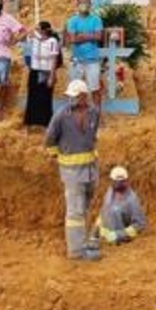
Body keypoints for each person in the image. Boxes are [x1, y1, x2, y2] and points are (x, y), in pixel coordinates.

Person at [45, 80, 102, 261]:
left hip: (90, 169)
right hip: (71, 171)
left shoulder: (94, 113)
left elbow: (93, 137)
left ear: (84, 96)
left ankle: (80, 241)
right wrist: (59, 156)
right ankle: (76, 251)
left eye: (75, 96)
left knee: (83, 207)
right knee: (75, 211)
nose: (71, 99)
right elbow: (50, 140)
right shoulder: (61, 115)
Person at [64, 0, 105, 106]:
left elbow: (99, 37)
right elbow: (72, 39)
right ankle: (73, 113)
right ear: (77, 4)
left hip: (93, 61)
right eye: (81, 2)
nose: (84, 5)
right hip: (76, 61)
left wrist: (81, 36)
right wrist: (90, 35)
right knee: (74, 89)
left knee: (95, 89)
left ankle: (96, 115)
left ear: (90, 4)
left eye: (86, 2)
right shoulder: (72, 21)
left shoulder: (96, 20)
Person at [95, 165, 148, 246]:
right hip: (104, 242)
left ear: (126, 181)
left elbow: (140, 225)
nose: (118, 184)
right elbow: (104, 210)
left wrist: (119, 234)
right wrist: (96, 230)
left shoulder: (131, 200)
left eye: (121, 182)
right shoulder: (110, 192)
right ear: (111, 181)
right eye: (116, 181)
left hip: (119, 243)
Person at [24, 20, 61, 129]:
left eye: (38, 29)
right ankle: (30, 123)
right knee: (32, 96)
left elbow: (54, 59)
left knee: (45, 97)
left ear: (44, 31)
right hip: (35, 71)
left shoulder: (53, 41)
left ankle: (46, 123)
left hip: (47, 71)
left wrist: (52, 76)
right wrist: (29, 31)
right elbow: (22, 36)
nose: (36, 31)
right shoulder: (34, 40)